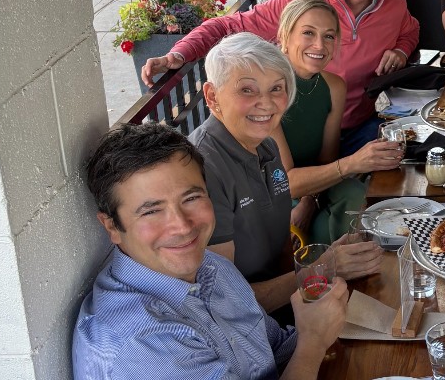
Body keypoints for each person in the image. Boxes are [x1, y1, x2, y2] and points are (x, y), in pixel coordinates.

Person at [73, 122, 347, 379]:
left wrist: (323, 321)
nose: (182, 226)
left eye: (191, 198)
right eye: (151, 211)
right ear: (112, 226)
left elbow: (274, 349)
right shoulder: (139, 342)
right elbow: (305, 348)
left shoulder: (214, 267)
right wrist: (312, 341)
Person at [141, 0, 420, 156]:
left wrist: (401, 51)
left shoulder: (394, 6)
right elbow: (226, 26)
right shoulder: (298, 1)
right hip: (294, 135)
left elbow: (410, 30)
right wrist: (178, 54)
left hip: (358, 128)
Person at [189, 33, 381, 314]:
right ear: (212, 96)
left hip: (284, 305)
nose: (266, 103)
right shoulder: (202, 170)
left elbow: (281, 247)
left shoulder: (266, 144)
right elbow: (225, 304)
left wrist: (325, 264)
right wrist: (324, 268)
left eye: (276, 88)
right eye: (247, 90)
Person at [270, 0, 402, 243]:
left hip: (312, 190)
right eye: (308, 33)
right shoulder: (269, 90)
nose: (319, 45)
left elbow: (326, 161)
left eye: (329, 36)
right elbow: (286, 182)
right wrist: (354, 163)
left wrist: (310, 200)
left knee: (357, 195)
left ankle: (340, 258)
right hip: (272, 194)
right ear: (285, 36)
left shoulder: (333, 87)